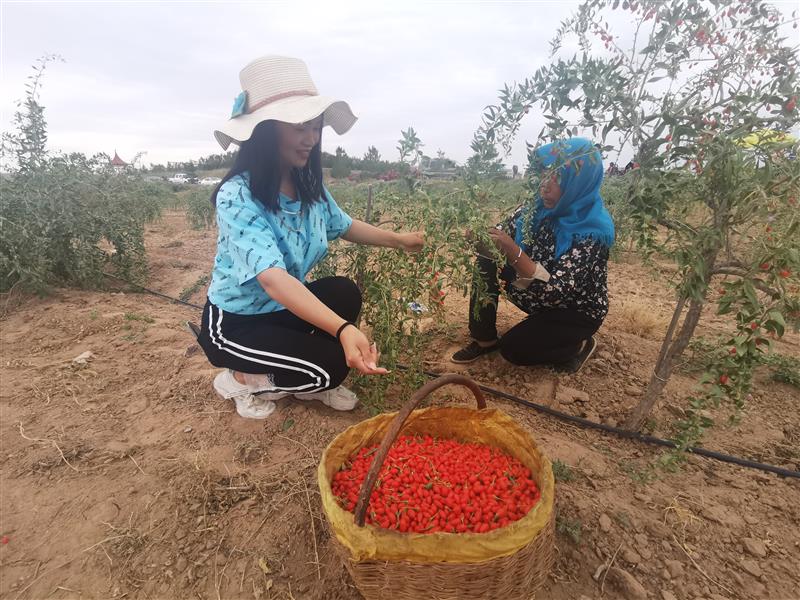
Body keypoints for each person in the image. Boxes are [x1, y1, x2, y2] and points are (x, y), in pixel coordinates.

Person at [197, 56, 424, 419]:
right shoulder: (237, 196)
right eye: (300, 127)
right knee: (331, 369)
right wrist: (343, 329)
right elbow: (273, 279)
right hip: (237, 324)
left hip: (279, 311)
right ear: (266, 130)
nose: (312, 139)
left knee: (344, 291)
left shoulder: (306, 185)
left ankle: (298, 376)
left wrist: (399, 240)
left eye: (316, 127)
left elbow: (344, 224)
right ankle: (241, 378)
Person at [451, 137, 614, 373]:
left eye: (557, 179)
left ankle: (577, 344)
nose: (545, 186)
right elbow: (496, 238)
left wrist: (512, 249)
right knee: (487, 259)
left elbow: (554, 292)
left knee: (515, 350)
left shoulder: (591, 232)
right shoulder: (534, 210)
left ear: (578, 182)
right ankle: (484, 339)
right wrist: (470, 236)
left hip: (572, 310)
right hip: (536, 293)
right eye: (545, 176)